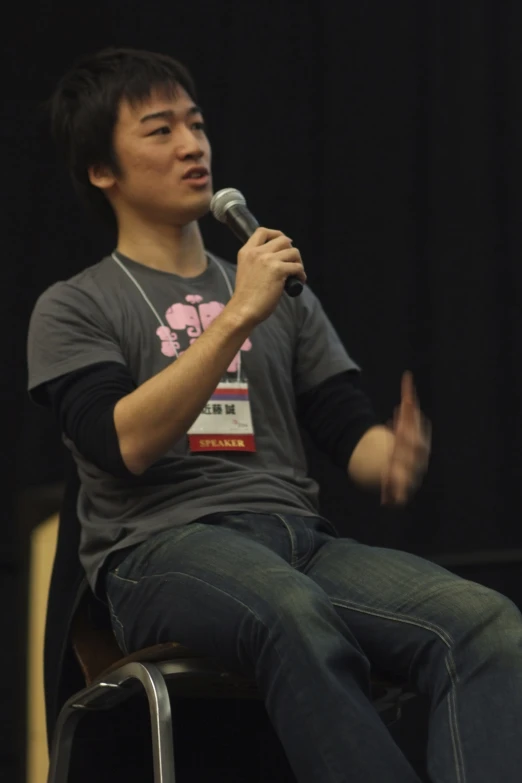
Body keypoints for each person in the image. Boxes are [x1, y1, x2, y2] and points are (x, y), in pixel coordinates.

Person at [27, 47, 522, 783]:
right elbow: (118, 442)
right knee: (287, 607)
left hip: (298, 538)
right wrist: (234, 316)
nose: (193, 144)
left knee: (487, 625)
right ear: (103, 170)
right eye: (160, 131)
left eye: (195, 123)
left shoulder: (269, 288)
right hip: (161, 550)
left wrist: (389, 454)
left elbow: (341, 423)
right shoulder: (76, 304)